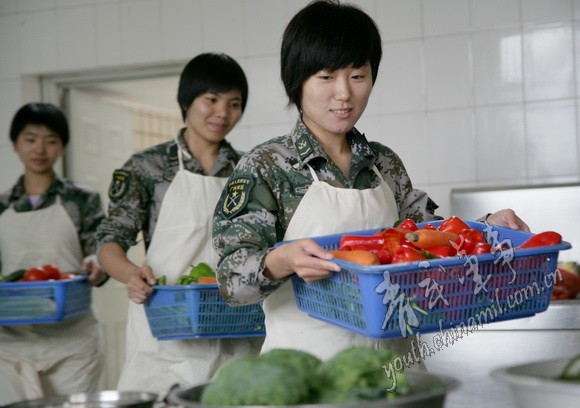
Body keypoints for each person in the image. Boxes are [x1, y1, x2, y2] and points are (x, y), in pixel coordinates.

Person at [212, 0, 530, 364]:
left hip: (398, 370)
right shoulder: (267, 166)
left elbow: (433, 240)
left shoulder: (383, 162)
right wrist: (281, 260)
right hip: (310, 374)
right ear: (297, 80)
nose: (344, 93)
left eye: (358, 76)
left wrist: (488, 226)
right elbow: (230, 282)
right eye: (326, 77)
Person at [96, 53, 263, 393]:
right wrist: (130, 274)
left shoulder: (250, 169)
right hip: (165, 331)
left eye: (234, 103)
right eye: (211, 100)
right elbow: (109, 240)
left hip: (235, 327)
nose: (222, 113)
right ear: (187, 101)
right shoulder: (147, 167)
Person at [0, 103, 107, 405]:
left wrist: (98, 263)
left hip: (72, 343)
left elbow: (101, 251)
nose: (40, 149)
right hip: (11, 344)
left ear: (62, 146)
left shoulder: (82, 200)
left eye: (51, 140)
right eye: (30, 139)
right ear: (15, 144)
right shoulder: (2, 205)